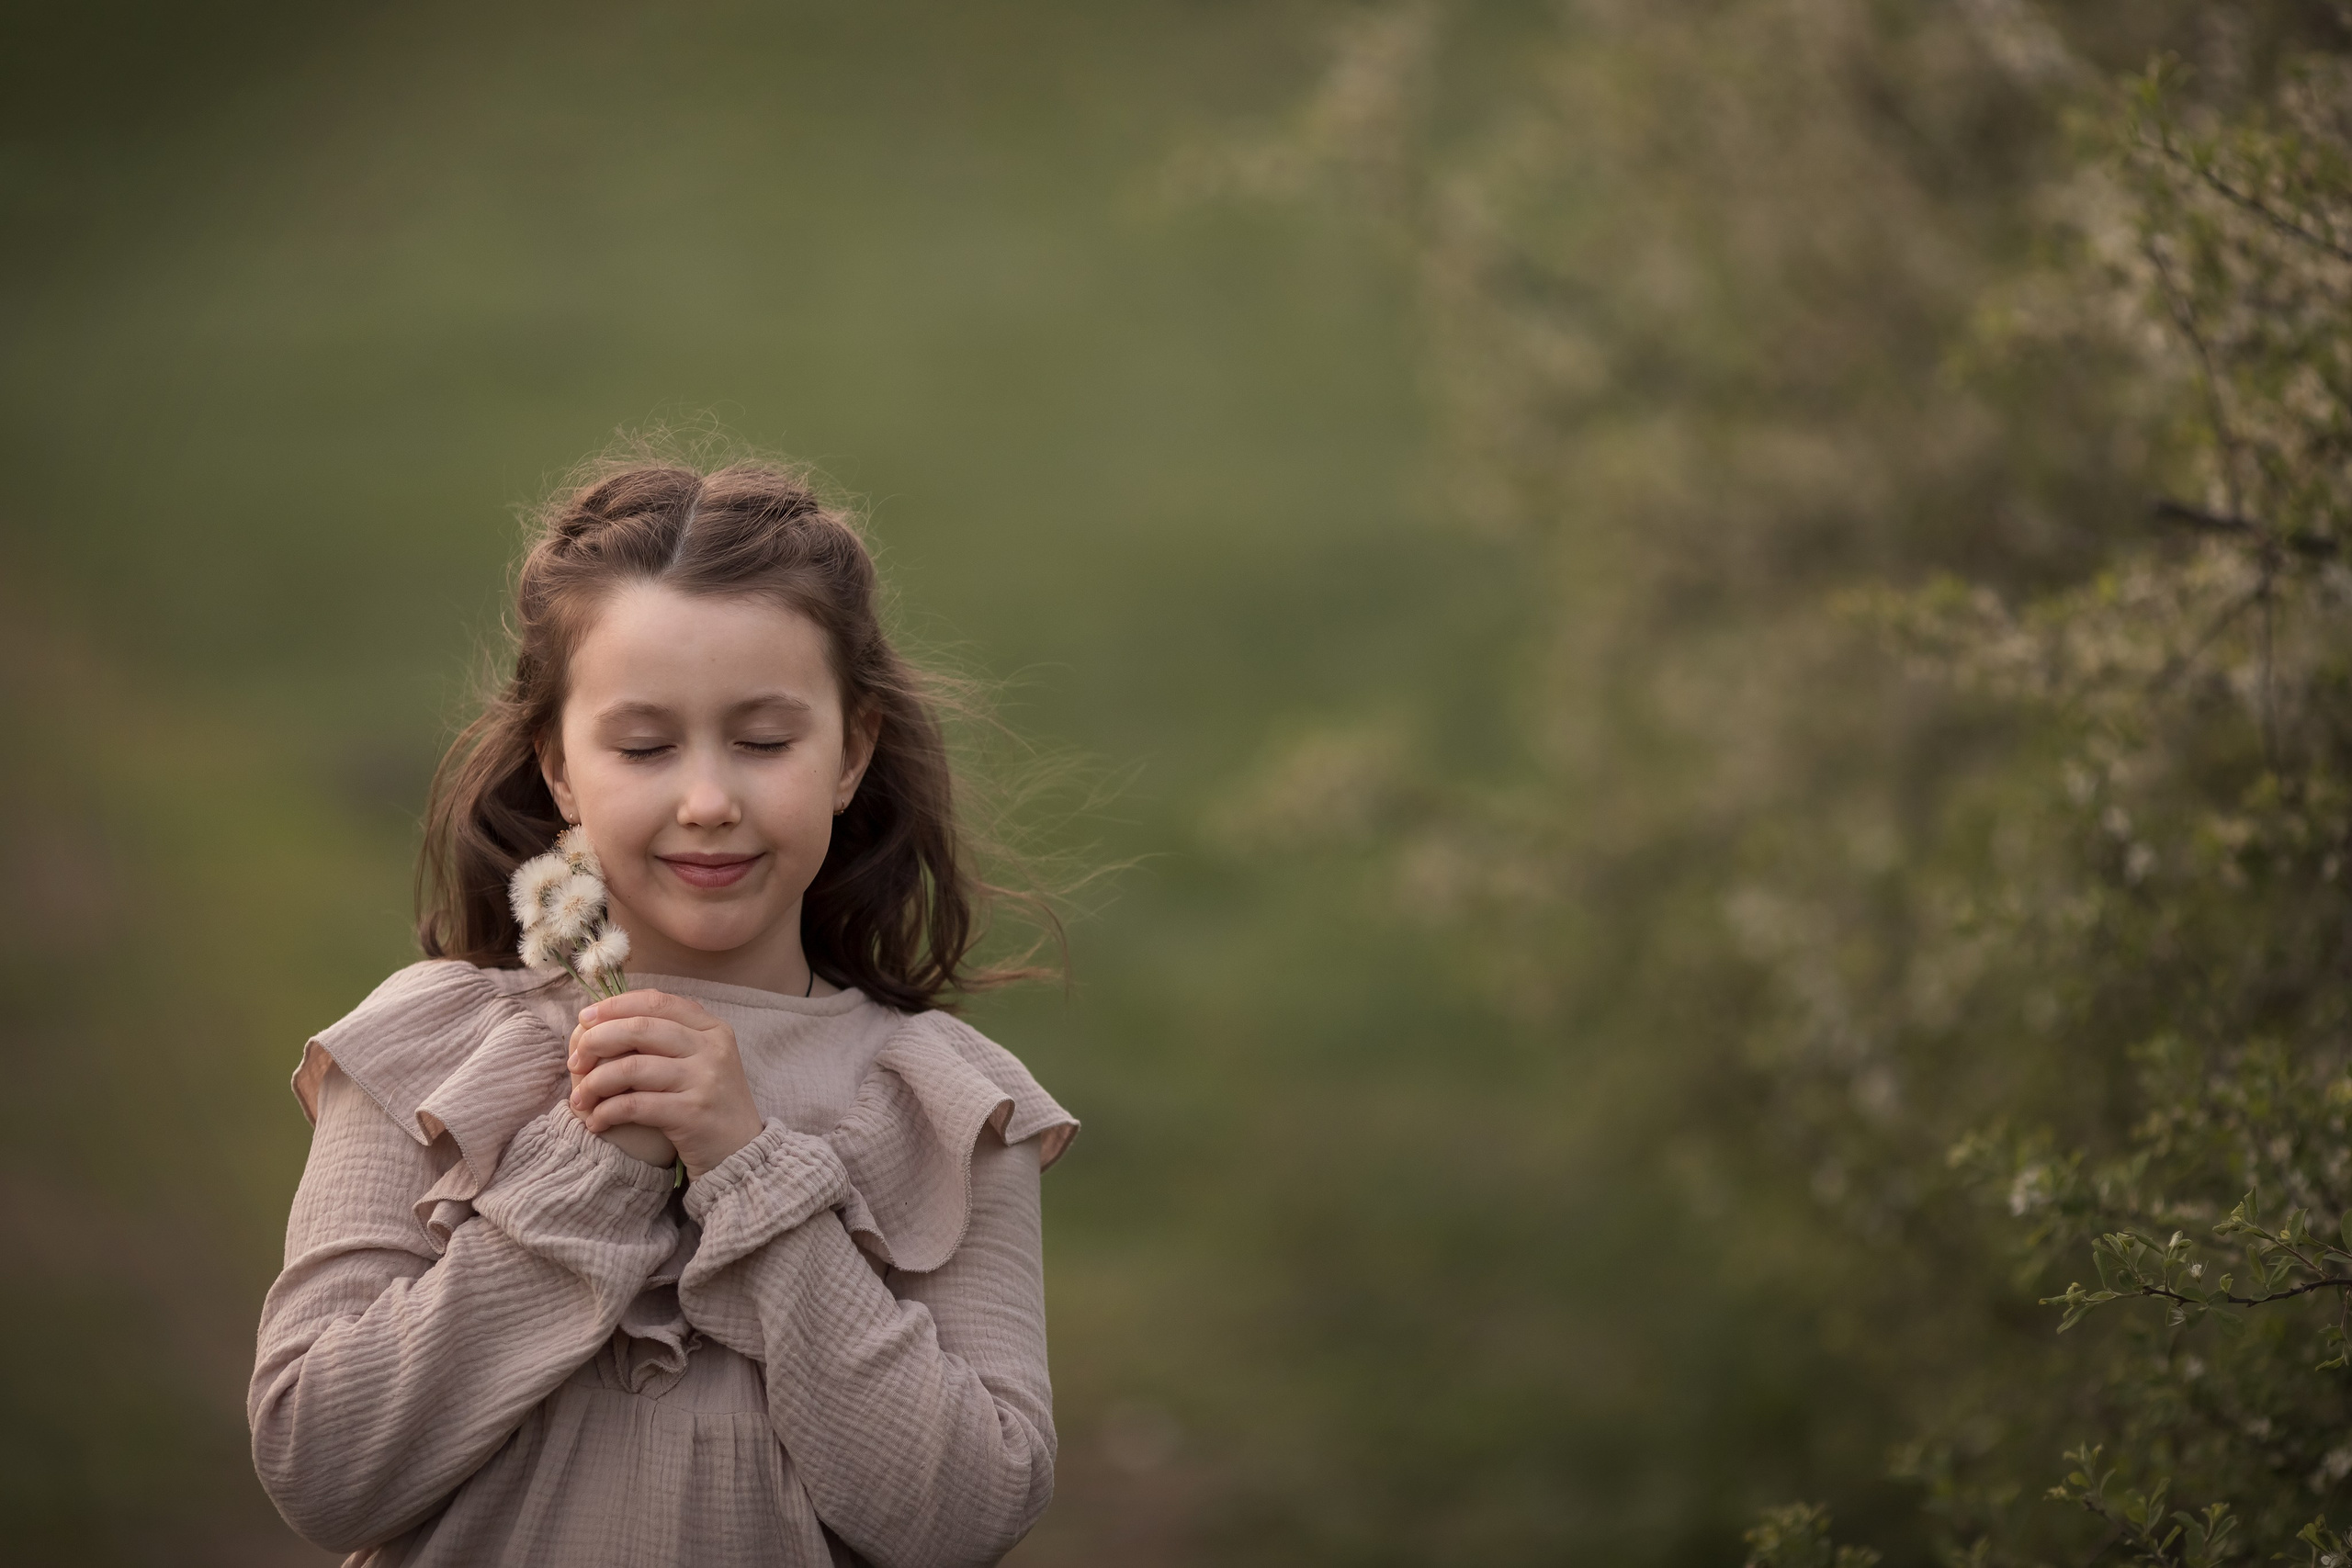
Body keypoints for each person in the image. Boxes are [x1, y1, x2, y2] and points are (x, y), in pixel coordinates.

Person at [247, 456, 1078, 1567]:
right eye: (643, 747)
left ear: (852, 752)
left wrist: (753, 1175)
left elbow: (968, 1516)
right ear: (558, 766)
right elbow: (321, 1470)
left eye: (765, 742)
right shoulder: (428, 1047)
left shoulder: (940, 1104)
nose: (708, 800)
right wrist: (594, 1166)